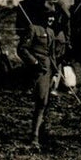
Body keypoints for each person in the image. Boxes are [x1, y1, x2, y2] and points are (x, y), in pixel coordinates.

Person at [18, 8, 61, 149]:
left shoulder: (51, 32)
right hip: (37, 72)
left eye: (53, 17)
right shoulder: (33, 28)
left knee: (47, 102)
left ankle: (42, 132)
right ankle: (34, 136)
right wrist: (34, 62)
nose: (51, 19)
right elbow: (22, 49)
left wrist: (55, 73)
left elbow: (52, 55)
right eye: (48, 16)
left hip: (48, 72)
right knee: (41, 102)